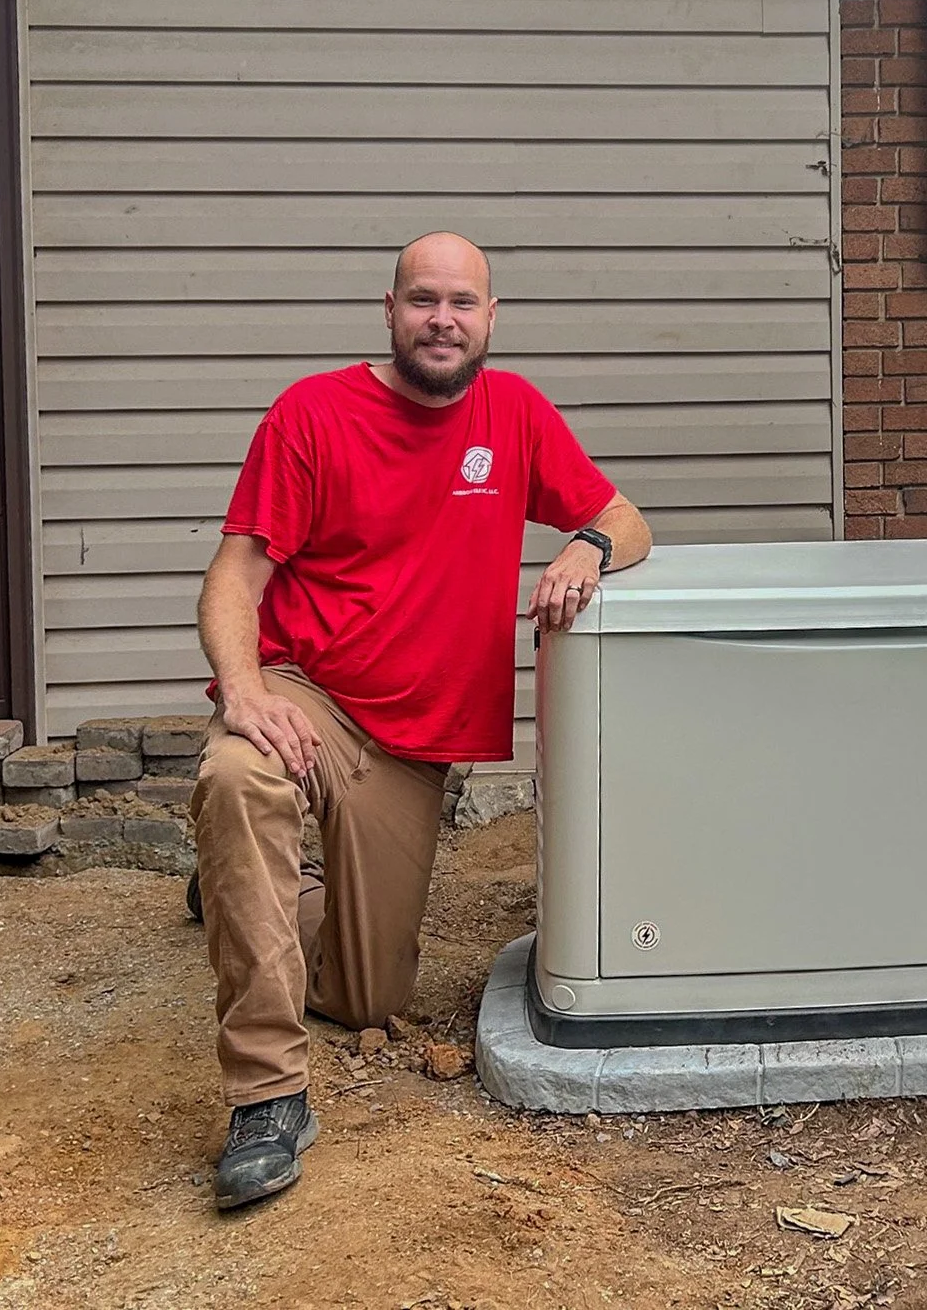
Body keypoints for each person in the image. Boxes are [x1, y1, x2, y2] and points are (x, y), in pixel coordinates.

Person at [189, 232, 651, 1210]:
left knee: (368, 996)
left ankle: (242, 883)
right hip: (308, 689)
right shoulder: (311, 412)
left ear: (491, 319)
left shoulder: (514, 412)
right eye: (422, 299)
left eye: (462, 303)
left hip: (413, 743)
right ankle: (267, 1099)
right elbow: (236, 571)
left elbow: (623, 515)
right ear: (388, 309)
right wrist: (244, 690)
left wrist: (584, 548)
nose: (442, 318)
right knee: (237, 776)